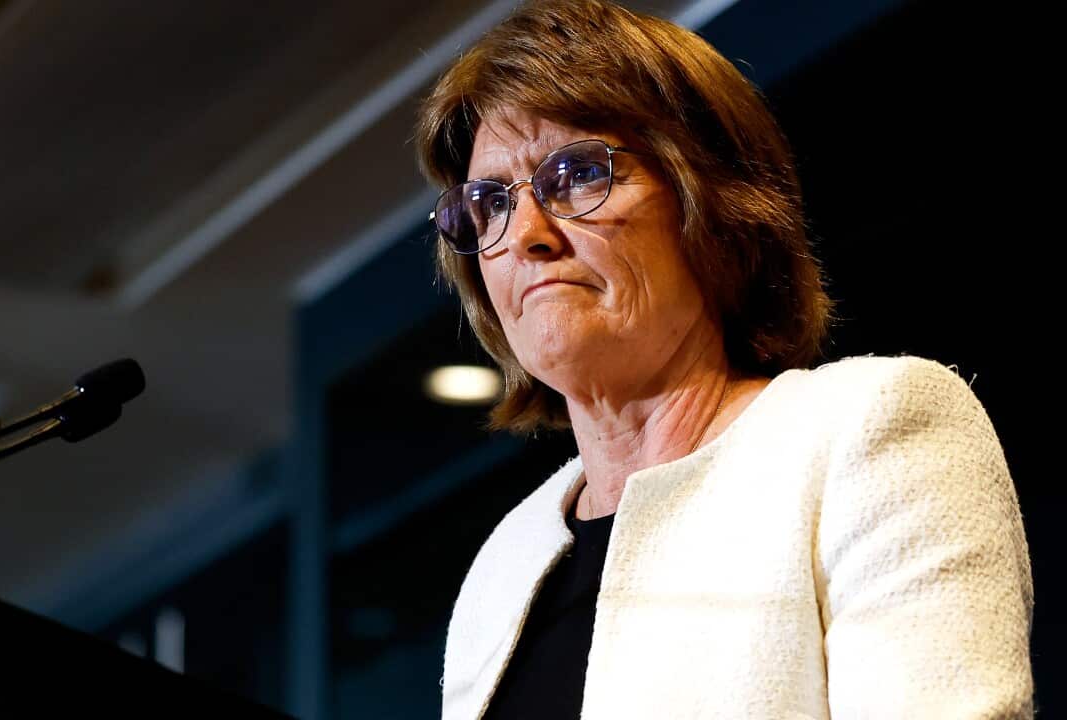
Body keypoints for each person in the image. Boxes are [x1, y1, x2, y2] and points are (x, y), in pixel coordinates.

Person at [415, 1, 1034, 718]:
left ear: (707, 197)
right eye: (489, 203)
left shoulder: (865, 435)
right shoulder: (506, 567)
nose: (525, 234)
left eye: (578, 173)